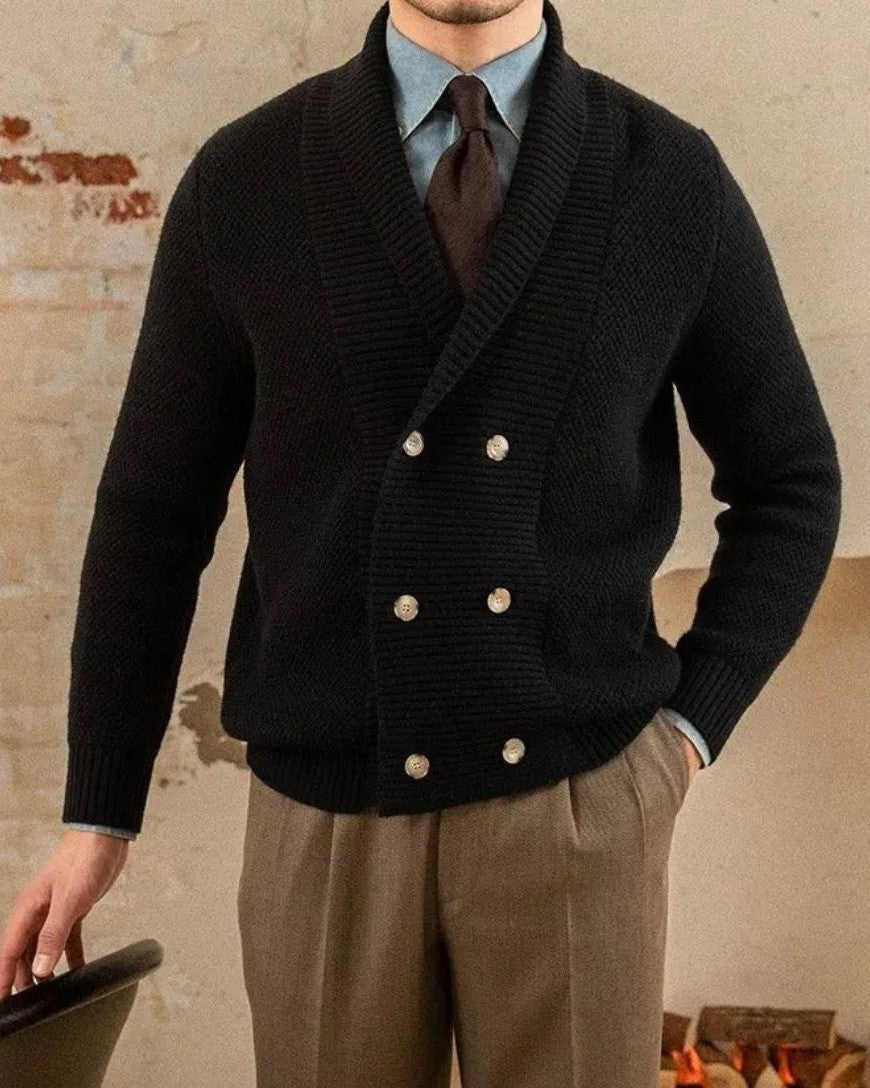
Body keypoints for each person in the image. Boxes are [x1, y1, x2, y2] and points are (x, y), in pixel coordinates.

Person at [0, 0, 841, 1084]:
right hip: (325, 822)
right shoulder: (246, 178)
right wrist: (98, 811)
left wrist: (686, 733)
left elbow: (791, 480)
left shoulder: (670, 177)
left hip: (579, 809)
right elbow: (152, 514)